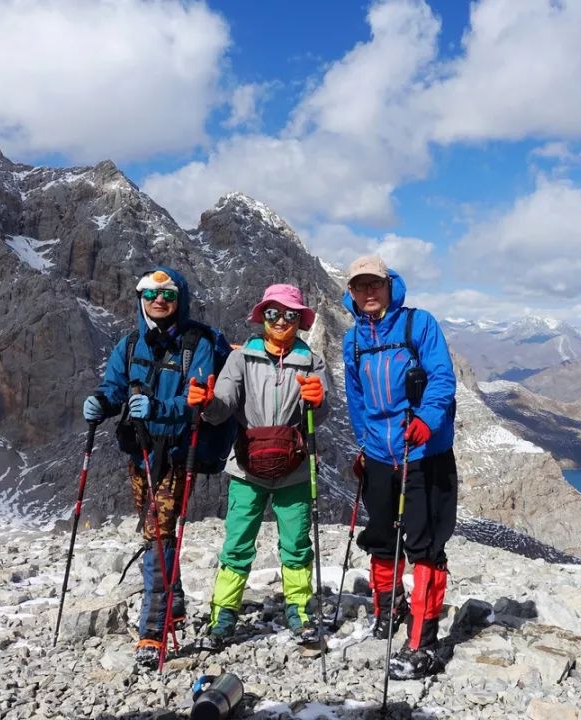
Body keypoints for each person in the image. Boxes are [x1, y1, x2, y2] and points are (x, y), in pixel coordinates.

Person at [82, 267, 231, 669]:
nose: (159, 300)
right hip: (141, 454)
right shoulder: (130, 344)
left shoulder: (197, 344)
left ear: (180, 299)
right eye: (150, 294)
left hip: (179, 453)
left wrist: (159, 408)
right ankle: (174, 602)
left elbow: (198, 398)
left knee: (159, 535)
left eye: (167, 294)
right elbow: (115, 387)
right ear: (141, 299)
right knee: (155, 534)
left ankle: (153, 630)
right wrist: (101, 402)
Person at [187, 284, 329, 646]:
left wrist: (318, 402)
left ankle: (299, 609)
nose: (281, 320)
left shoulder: (312, 362)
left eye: (289, 314)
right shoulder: (241, 359)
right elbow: (221, 409)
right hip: (249, 469)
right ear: (261, 316)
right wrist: (207, 403)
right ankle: (223, 614)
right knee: (238, 543)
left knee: (296, 543)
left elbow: (319, 416)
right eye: (273, 313)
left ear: (300, 319)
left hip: (292, 469)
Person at [341, 254, 459, 680]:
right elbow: (356, 397)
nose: (369, 291)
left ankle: (422, 640)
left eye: (375, 283)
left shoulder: (418, 324)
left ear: (390, 285)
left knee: (425, 543)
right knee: (381, 535)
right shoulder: (353, 340)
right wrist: (365, 442)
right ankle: (388, 608)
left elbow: (442, 377)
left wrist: (427, 419)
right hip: (379, 454)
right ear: (352, 293)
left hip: (423, 453)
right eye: (360, 285)